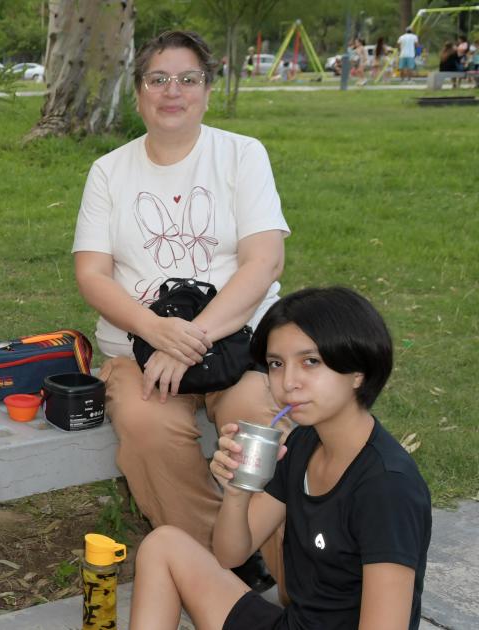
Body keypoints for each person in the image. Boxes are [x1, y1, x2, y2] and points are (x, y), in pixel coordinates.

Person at [72, 30, 290, 593]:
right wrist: (152, 329)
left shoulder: (242, 155)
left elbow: (263, 261)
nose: (174, 91)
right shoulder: (109, 171)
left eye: (188, 79)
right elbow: (92, 274)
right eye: (158, 79)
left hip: (236, 343)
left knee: (257, 425)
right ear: (139, 92)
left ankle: (296, 583)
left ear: (208, 90)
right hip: (138, 348)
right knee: (147, 426)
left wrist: (188, 337)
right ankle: (224, 567)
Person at [128, 287, 432, 630]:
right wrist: (237, 492)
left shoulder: (387, 487)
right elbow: (230, 555)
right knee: (164, 547)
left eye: (310, 362)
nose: (288, 382)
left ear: (357, 371)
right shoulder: (304, 443)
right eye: (276, 364)